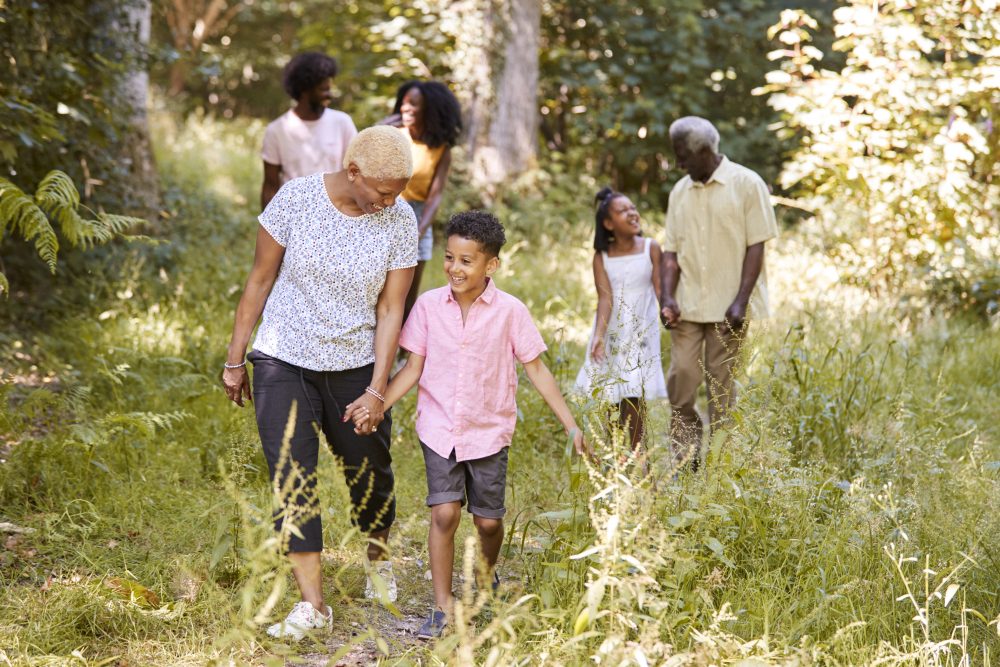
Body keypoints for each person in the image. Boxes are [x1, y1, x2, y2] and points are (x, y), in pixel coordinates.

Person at [346, 211, 586, 639]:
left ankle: (486, 579)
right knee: (443, 513)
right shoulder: (428, 306)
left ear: (491, 264)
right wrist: (377, 400)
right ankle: (442, 606)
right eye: (450, 258)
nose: (455, 268)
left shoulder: (511, 312)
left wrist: (570, 426)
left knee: (488, 522)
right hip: (439, 428)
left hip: (489, 430)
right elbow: (412, 368)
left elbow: (538, 371)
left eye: (467, 261)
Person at [222, 126, 417, 641]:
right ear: (353, 171)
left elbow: (392, 307)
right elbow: (259, 280)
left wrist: (378, 388)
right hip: (284, 356)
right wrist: (235, 358)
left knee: (369, 469)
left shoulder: (399, 218)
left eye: (398, 190)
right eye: (382, 190)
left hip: (356, 365)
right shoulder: (296, 200)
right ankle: (313, 604)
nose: (390, 200)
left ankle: (379, 560)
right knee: (292, 477)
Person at [660, 116, 778, 469]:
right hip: (688, 306)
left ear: (705, 151)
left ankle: (721, 468)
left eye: (683, 156)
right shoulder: (680, 192)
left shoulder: (746, 184)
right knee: (681, 381)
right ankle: (686, 460)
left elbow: (756, 246)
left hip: (730, 310)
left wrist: (741, 301)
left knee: (721, 392)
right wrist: (667, 296)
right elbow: (671, 252)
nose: (679, 164)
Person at [575, 187, 667, 453]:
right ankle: (616, 459)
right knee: (613, 394)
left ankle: (641, 459)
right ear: (608, 223)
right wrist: (599, 337)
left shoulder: (651, 248)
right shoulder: (602, 257)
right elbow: (605, 299)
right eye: (623, 211)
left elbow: (660, 291)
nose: (632, 213)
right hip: (614, 333)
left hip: (640, 333)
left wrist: (670, 315)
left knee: (635, 395)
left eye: (633, 208)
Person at [380, 80, 462, 320]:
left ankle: (405, 352)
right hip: (386, 210)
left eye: (413, 104)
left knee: (407, 292)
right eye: (403, 103)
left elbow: (435, 196)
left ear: (429, 109)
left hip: (418, 218)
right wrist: (380, 127)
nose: (406, 109)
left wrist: (418, 231)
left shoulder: (441, 149)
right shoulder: (392, 136)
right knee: (379, 288)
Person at [260, 52, 357, 209]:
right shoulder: (276, 131)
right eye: (323, 89)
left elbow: (356, 174)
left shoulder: (342, 122)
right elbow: (270, 186)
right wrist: (268, 228)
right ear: (304, 90)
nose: (329, 95)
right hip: (294, 215)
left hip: (336, 214)